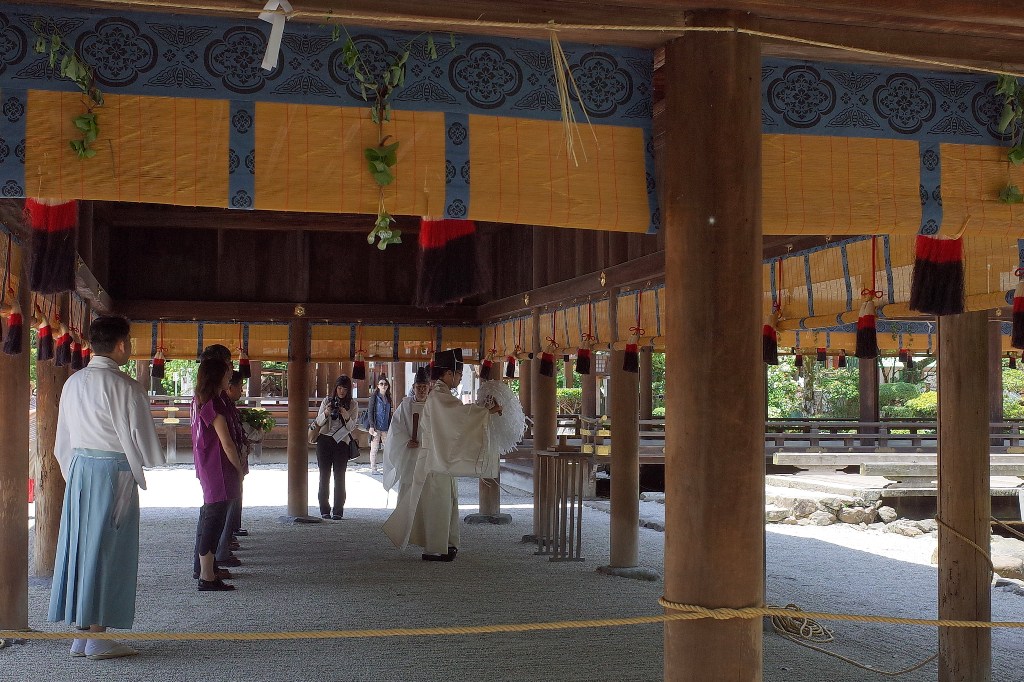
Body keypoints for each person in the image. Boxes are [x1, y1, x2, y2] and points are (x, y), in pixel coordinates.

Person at [48, 315, 165, 660]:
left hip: (80, 468)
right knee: (105, 548)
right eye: (128, 341)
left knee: (81, 545)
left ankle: (82, 633)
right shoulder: (127, 387)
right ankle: (96, 636)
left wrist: (76, 472)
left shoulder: (73, 383)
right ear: (121, 344)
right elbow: (142, 440)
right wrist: (150, 461)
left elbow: (62, 442)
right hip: (113, 471)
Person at [382, 349, 501, 561]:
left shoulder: (440, 394)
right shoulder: (438, 395)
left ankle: (447, 543)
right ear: (447, 373)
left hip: (437, 457)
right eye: (458, 373)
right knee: (437, 504)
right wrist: (485, 412)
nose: (460, 377)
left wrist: (482, 411)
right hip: (433, 461)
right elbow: (459, 417)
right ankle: (434, 548)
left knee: (447, 501)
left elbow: (458, 416)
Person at [191, 357, 244, 591]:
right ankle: (206, 575)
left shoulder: (207, 401)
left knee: (213, 518)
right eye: (227, 372)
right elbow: (227, 444)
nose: (230, 377)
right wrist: (239, 469)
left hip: (211, 466)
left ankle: (208, 571)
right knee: (214, 520)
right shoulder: (215, 405)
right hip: (219, 468)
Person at [381, 367, 430, 503]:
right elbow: (395, 429)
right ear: (413, 387)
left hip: (427, 453)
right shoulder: (405, 405)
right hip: (409, 453)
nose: (421, 390)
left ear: (429, 387)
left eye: (424, 387)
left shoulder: (433, 405)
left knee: (426, 489)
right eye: (418, 387)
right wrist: (405, 441)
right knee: (408, 485)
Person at [313, 375, 360, 519]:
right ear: (335, 388)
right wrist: (327, 412)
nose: (341, 392)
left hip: (342, 443)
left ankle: (338, 510)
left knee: (340, 476)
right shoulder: (327, 401)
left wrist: (345, 414)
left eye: (344, 389)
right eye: (339, 388)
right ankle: (324, 509)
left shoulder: (352, 404)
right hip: (324, 441)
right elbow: (317, 421)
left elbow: (352, 427)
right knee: (324, 475)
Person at [367, 375, 393, 474]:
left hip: (386, 426)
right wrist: (371, 425)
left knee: (387, 448)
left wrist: (391, 425)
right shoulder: (374, 397)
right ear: (378, 386)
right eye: (381, 384)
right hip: (376, 426)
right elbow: (370, 411)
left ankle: (387, 467)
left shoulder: (388, 398)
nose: (383, 386)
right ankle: (373, 468)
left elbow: (389, 413)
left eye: (385, 384)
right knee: (374, 448)